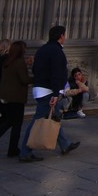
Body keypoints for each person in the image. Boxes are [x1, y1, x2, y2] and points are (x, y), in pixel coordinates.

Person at [19, 25, 79, 161]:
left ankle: (65, 144)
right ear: (61, 36)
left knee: (54, 117)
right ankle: (25, 152)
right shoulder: (57, 52)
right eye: (64, 35)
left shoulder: (42, 49)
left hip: (40, 88)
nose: (65, 38)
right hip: (49, 91)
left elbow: (35, 69)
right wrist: (56, 93)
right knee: (38, 121)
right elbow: (57, 74)